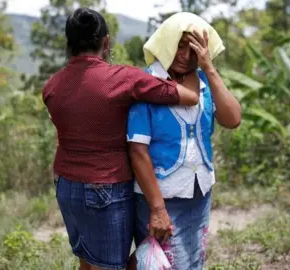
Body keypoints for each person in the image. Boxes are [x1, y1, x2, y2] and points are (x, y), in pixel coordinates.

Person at [42, 8, 201, 270]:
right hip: (104, 187)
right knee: (108, 266)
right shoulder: (124, 78)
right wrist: (196, 65)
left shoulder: (52, 85)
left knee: (88, 262)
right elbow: (190, 96)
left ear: (68, 45)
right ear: (106, 42)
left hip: (65, 185)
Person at [127, 12, 241, 269]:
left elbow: (233, 119)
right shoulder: (146, 85)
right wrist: (157, 209)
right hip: (160, 198)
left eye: (192, 48)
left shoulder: (204, 83)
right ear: (165, 43)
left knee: (192, 261)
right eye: (178, 46)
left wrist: (209, 68)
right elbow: (137, 151)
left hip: (199, 192)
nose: (184, 55)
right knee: (161, 263)